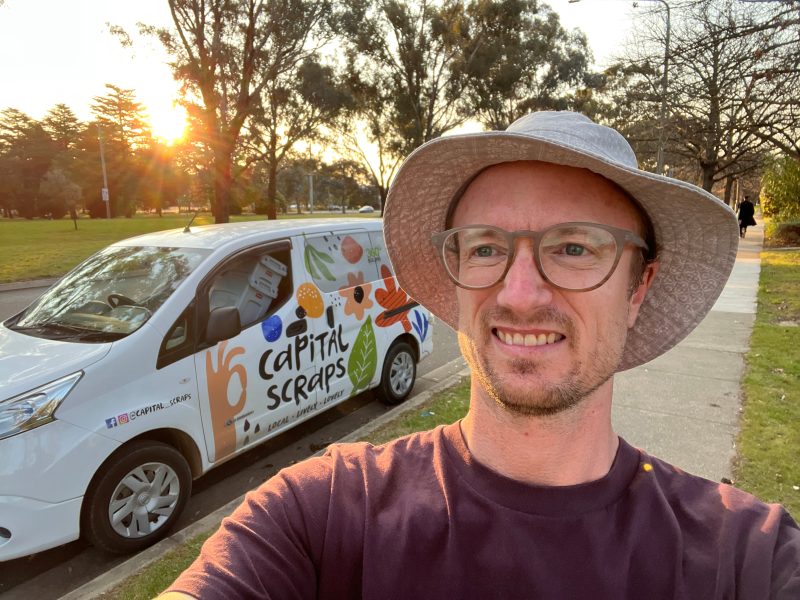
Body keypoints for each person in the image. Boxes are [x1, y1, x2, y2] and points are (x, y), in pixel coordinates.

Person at [161, 112, 800, 599]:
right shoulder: (324, 513)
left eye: (576, 247)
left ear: (640, 288)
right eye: (486, 249)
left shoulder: (745, 557)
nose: (519, 295)